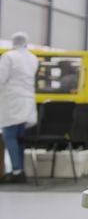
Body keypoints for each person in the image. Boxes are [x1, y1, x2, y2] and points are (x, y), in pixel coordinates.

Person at [0, 32, 39, 184]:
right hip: (27, 101)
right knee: (20, 139)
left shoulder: (9, 56)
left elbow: (1, 78)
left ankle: (17, 172)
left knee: (9, 137)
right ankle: (20, 170)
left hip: (12, 101)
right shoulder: (32, 57)